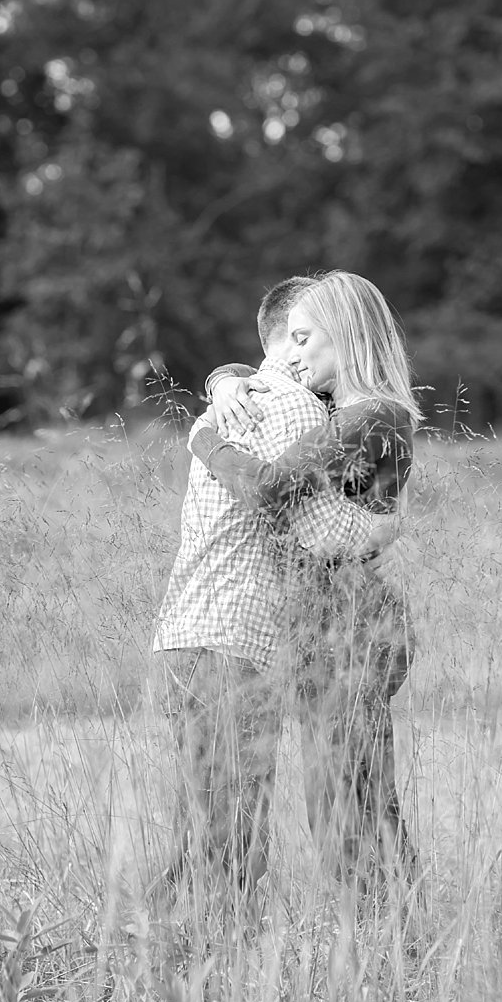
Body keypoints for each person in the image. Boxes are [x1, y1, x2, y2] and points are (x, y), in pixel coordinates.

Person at [150, 276, 395, 923]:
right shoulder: (295, 410)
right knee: (239, 835)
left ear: (345, 333)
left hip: (327, 640)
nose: (293, 352)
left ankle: (380, 949)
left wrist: (210, 417)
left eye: (305, 338)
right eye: (291, 337)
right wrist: (219, 393)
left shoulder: (358, 414)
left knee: (337, 814)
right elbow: (317, 522)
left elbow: (288, 503)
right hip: (250, 641)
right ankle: (175, 965)